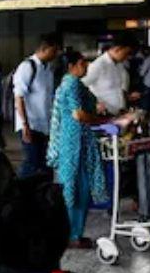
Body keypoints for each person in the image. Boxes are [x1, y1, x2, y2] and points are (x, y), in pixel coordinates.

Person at [48, 50, 126, 250]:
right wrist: (102, 121)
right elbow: (78, 114)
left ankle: (72, 234)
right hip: (75, 144)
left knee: (74, 188)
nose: (87, 66)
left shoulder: (69, 83)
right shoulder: (72, 83)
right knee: (77, 189)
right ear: (71, 66)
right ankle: (72, 236)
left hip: (72, 142)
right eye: (82, 63)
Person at [13, 35, 61, 177]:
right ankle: (19, 187)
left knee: (45, 164)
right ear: (44, 49)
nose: (56, 54)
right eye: (54, 51)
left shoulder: (48, 69)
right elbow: (19, 97)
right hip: (31, 125)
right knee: (31, 163)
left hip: (45, 126)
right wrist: (24, 125)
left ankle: (42, 189)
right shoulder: (27, 67)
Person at [83, 35, 139, 115]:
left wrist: (127, 97)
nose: (128, 57)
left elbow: (115, 90)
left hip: (119, 113)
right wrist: (94, 104)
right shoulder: (98, 65)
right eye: (127, 53)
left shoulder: (119, 65)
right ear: (118, 49)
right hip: (103, 115)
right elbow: (80, 87)